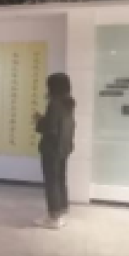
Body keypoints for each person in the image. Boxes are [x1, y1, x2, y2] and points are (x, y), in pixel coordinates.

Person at [34, 73, 76, 230]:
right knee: (60, 180)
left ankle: (54, 217)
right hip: (64, 147)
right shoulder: (68, 103)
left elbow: (50, 129)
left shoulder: (54, 104)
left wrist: (39, 121)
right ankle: (61, 211)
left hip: (51, 149)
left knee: (51, 181)